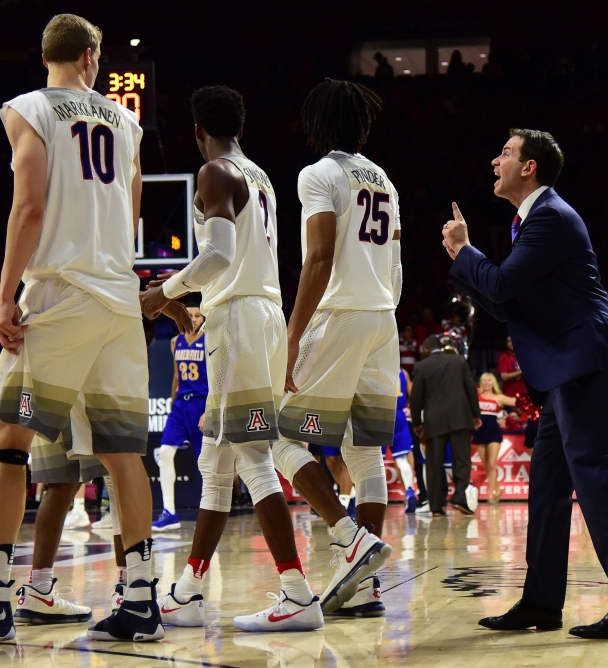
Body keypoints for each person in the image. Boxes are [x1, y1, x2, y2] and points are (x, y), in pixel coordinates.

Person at [0, 14, 192, 644]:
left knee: (8, 442)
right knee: (123, 453)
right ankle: (140, 602)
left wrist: (3, 298)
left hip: (60, 296)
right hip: (116, 299)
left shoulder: (28, 108)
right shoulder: (126, 123)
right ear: (91, 57)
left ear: (49, 56)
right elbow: (130, 217)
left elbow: (30, 204)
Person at [444, 128, 608, 638]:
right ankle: (541, 602)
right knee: (547, 488)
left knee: (595, 477)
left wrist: (465, 251)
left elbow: (498, 285)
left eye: (505, 152)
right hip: (565, 367)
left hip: (583, 362)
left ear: (529, 167)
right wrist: (465, 262)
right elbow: (504, 300)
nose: (495, 159)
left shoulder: (551, 218)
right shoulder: (533, 221)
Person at [138, 85, 323, 632]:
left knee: (251, 457)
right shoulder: (260, 174)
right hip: (262, 311)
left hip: (238, 318)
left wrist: (165, 293)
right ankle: (190, 589)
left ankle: (296, 592)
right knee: (216, 459)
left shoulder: (215, 171)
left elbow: (216, 255)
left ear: (198, 132)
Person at [267, 79, 396, 616]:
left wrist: (293, 334)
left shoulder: (318, 173)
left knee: (273, 434)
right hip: (383, 316)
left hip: (338, 315)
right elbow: (397, 261)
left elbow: (317, 257)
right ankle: (360, 587)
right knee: (365, 452)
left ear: (318, 123)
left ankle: (348, 535)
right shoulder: (383, 178)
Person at [15, 399, 124, 625]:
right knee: (118, 473)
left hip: (51, 390)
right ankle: (128, 587)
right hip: (93, 388)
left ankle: (38, 587)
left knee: (61, 484)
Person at [409, 335, 481, 515]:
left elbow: (416, 399)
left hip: (434, 420)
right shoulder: (459, 361)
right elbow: (471, 389)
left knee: (434, 465)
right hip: (460, 417)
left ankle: (436, 507)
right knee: (462, 461)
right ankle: (460, 498)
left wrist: (417, 423)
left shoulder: (421, 367)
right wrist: (476, 414)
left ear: (426, 349)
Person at [152, 304, 208, 532]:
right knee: (164, 453)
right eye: (189, 315)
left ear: (204, 318)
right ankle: (169, 512)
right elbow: (176, 376)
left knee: (205, 463)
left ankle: (209, 514)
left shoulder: (209, 340)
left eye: (197, 315)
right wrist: (173, 403)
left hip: (202, 404)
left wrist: (210, 410)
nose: (193, 319)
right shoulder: (176, 341)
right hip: (180, 405)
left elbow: (217, 379)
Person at [475, 372, 516, 503]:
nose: (487, 383)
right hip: (479, 432)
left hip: (493, 433)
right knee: (486, 465)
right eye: (484, 380)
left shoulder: (499, 398)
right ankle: (497, 489)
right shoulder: (476, 397)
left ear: (493, 382)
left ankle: (490, 495)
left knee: (492, 464)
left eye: (489, 380)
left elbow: (517, 402)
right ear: (481, 383)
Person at [386, 367, 420, 514]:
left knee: (374, 460)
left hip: (379, 414)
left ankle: (370, 499)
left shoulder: (373, 366)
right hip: (399, 414)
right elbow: (413, 394)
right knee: (401, 458)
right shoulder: (403, 372)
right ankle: (409, 490)